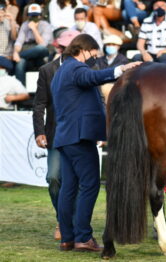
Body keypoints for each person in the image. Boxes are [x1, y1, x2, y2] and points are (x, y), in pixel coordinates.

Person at [50, 33, 141, 251]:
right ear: (84, 49)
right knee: (89, 185)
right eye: (94, 53)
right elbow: (91, 78)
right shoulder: (75, 68)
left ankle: (68, 238)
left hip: (66, 136)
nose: (95, 57)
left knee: (69, 188)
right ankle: (83, 237)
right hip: (80, 137)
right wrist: (121, 69)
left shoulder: (60, 71)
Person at [32, 29, 80, 241]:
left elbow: (99, 100)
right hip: (56, 134)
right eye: (65, 46)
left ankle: (77, 224)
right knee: (53, 178)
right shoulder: (47, 70)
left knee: (80, 181)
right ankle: (63, 219)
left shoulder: (88, 67)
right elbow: (39, 104)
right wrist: (39, 132)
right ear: (59, 47)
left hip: (80, 134)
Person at [13, 3, 53, 85]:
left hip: (43, 54)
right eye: (32, 16)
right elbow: (19, 42)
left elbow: (42, 45)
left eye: (36, 15)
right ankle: (21, 89)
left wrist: (34, 29)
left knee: (40, 48)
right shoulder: (25, 25)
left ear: (40, 16)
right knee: (20, 62)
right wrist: (15, 51)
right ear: (28, 16)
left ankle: (21, 55)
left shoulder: (46, 25)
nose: (34, 18)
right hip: (29, 52)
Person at [96, 34, 129, 103]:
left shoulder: (123, 60)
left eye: (113, 45)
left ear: (118, 47)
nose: (110, 46)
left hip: (115, 87)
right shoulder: (99, 60)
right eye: (108, 44)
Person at [0, 0, 17, 70]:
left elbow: (14, 37)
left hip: (6, 58)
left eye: (2, 10)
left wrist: (12, 21)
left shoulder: (10, 22)